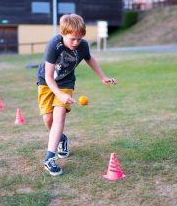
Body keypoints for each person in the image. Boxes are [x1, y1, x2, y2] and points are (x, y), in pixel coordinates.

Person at [36, 14, 117, 176]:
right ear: (63, 33)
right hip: (46, 82)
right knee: (48, 119)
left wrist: (103, 77)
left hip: (66, 82)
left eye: (79, 39)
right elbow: (48, 77)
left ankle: (49, 158)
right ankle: (61, 139)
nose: (76, 43)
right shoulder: (54, 45)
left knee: (59, 117)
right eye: (72, 39)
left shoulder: (82, 45)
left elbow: (90, 59)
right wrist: (59, 94)